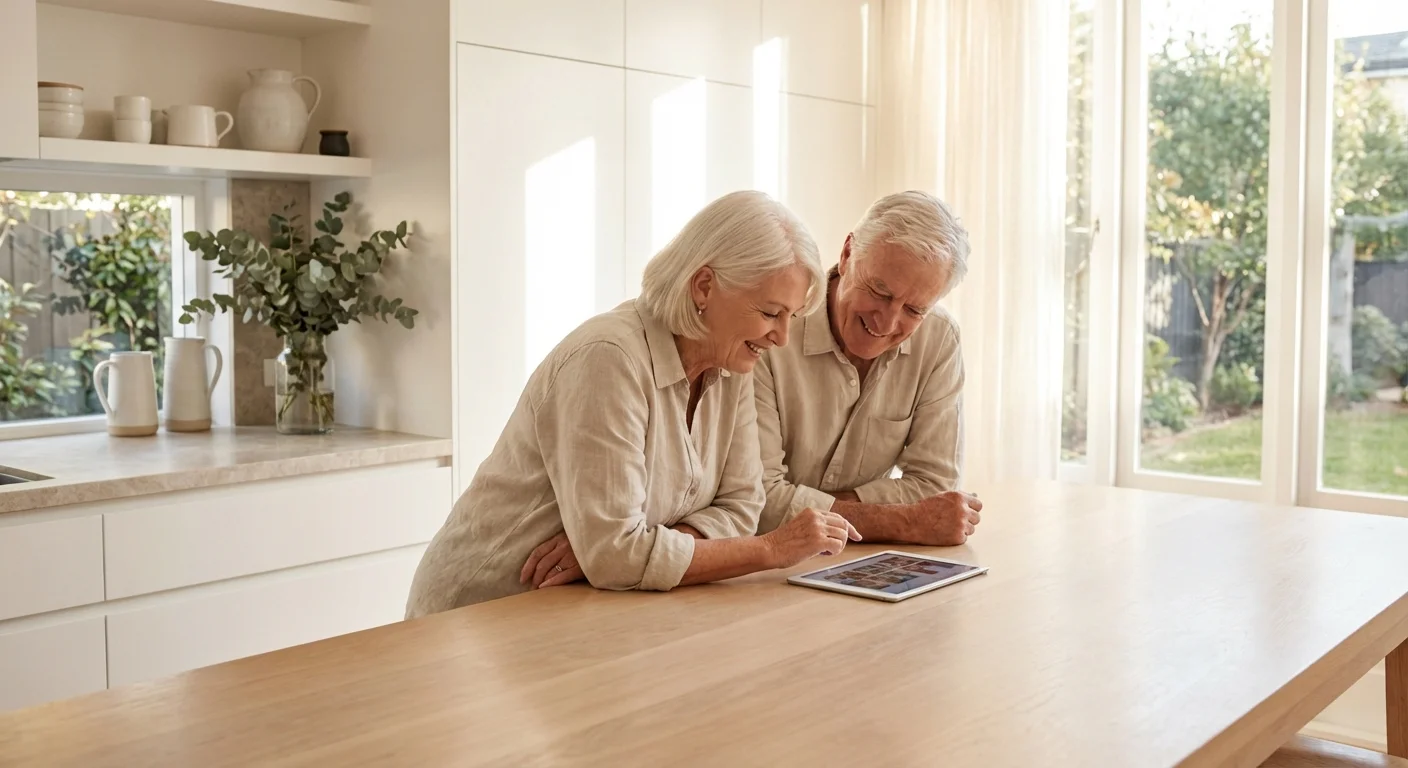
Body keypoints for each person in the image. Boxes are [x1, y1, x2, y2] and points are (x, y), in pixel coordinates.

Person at [406, 191, 860, 616]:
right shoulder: (609, 358)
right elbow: (616, 556)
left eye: (791, 318)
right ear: (704, 286)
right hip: (482, 609)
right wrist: (772, 549)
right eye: (769, 313)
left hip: (584, 609)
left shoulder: (732, 362)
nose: (781, 338)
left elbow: (742, 505)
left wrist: (650, 548)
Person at [753, 190, 982, 546]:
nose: (888, 322)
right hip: (760, 567)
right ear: (847, 254)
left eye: (914, 310)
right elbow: (760, 502)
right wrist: (904, 522)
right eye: (880, 291)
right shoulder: (772, 327)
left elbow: (934, 486)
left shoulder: (939, 339)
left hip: (854, 560)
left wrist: (814, 511)